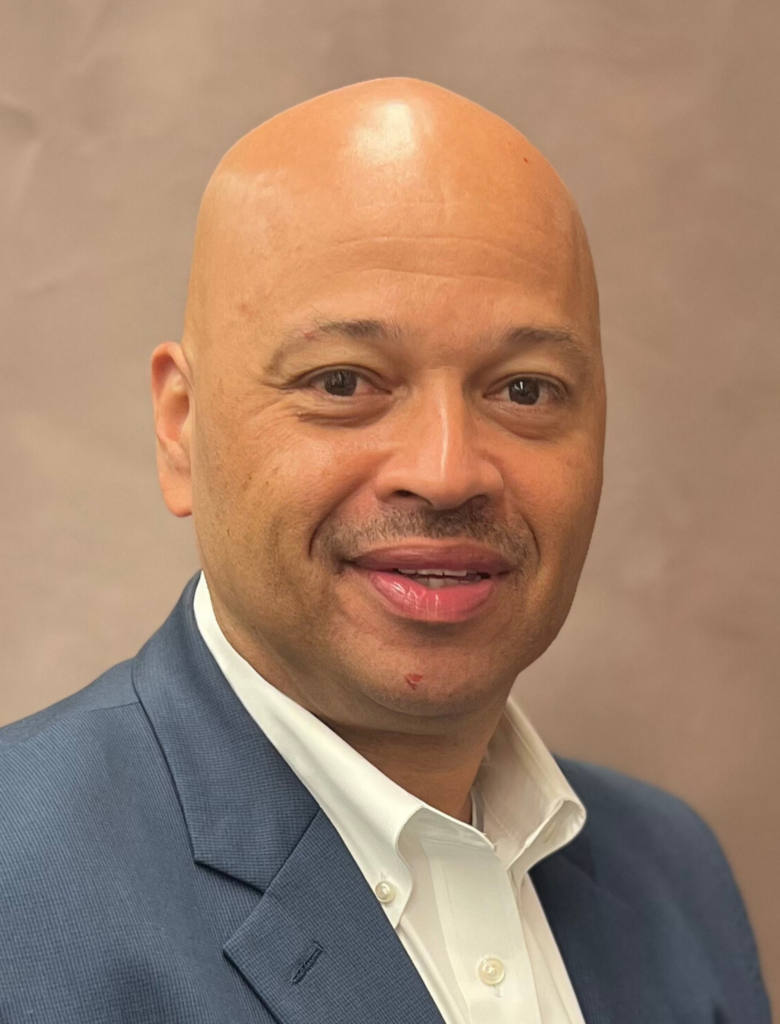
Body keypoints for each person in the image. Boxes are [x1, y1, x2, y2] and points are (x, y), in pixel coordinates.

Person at [0, 77, 771, 1024]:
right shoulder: (16, 891)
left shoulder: (675, 877)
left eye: (525, 390)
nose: (447, 472)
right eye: (344, 380)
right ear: (180, 430)